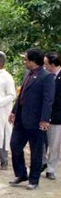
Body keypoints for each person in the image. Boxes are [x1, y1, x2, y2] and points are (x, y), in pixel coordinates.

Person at [9, 48, 55, 190]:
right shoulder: (27, 74)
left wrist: (45, 119)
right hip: (21, 118)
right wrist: (13, 111)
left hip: (36, 120)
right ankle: (21, 174)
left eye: (26, 59)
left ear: (33, 61)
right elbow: (21, 94)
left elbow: (48, 100)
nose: (24, 61)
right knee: (15, 145)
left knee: (36, 151)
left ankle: (33, 180)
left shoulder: (46, 77)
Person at [43, 51, 61, 180]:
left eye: (46, 64)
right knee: (41, 143)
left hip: (57, 117)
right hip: (43, 116)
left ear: (53, 64)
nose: (44, 66)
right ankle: (42, 163)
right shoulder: (44, 75)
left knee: (54, 145)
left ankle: (51, 168)